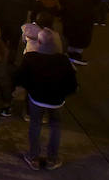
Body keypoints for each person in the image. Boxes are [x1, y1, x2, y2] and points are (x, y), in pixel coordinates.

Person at [14, 29, 78, 171]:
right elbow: (72, 84)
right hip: (57, 101)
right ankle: (52, 158)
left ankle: (33, 157)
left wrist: (29, 88)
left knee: (35, 125)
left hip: (37, 99)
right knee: (55, 126)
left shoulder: (30, 58)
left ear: (39, 42)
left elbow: (19, 78)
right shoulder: (63, 60)